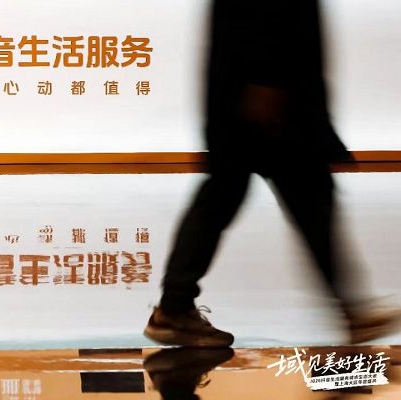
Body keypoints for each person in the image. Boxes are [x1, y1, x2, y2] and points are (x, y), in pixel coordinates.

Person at [144, 0, 400, 347]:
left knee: (230, 195)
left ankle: (175, 307)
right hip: (270, 98)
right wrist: (265, 80)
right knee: (300, 196)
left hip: (256, 90)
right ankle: (350, 311)